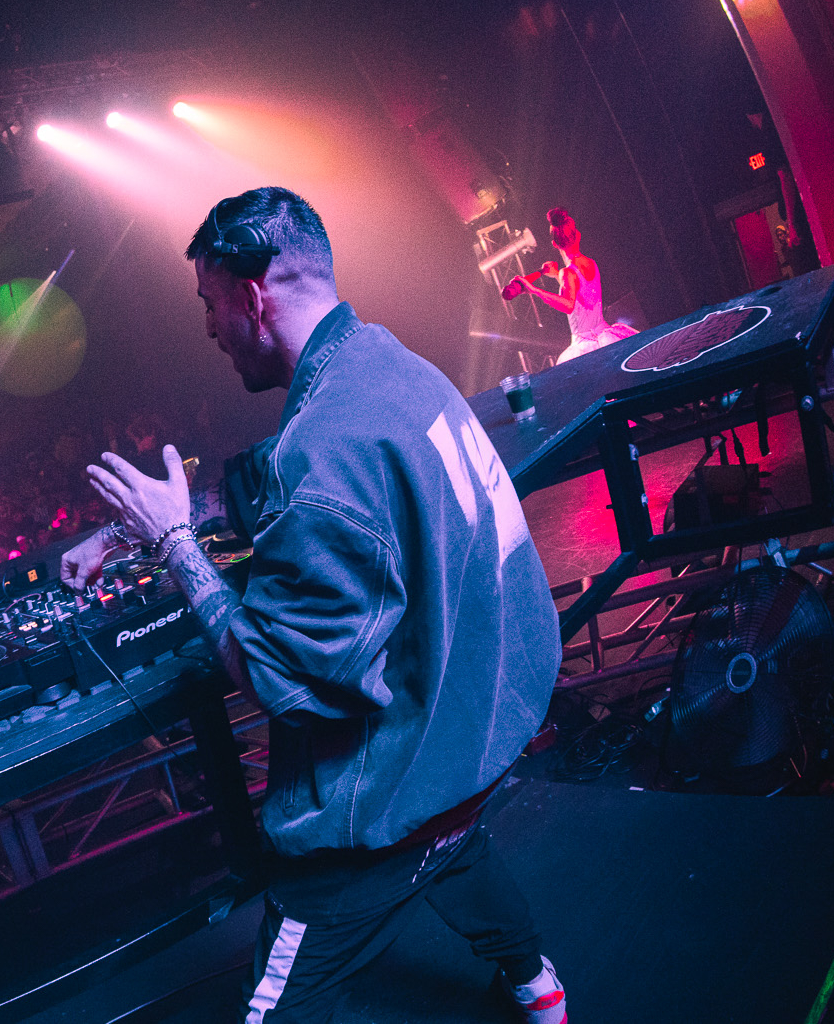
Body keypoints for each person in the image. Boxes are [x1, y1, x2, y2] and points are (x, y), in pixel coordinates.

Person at [62, 188, 566, 1023]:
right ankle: (535, 983)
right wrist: (126, 531)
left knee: (278, 1005)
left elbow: (280, 682)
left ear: (251, 296)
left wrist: (175, 542)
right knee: (454, 847)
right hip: (468, 729)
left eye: (209, 303)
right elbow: (273, 476)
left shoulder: (327, 446)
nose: (208, 328)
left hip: (390, 799)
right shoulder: (385, 365)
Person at [504, 206, 637, 362]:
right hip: (605, 334)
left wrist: (534, 290)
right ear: (578, 235)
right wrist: (556, 276)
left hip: (586, 345)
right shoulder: (590, 263)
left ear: (554, 244)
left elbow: (568, 305)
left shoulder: (567, 273)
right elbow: (582, 297)